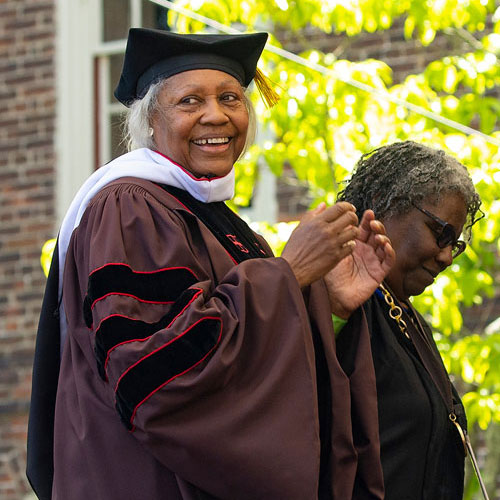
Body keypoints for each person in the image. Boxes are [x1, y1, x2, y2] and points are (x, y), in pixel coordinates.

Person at [26, 29, 395, 500]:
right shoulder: (128, 206)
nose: (216, 115)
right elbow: (155, 377)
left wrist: (331, 309)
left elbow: (261, 372)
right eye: (189, 102)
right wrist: (289, 276)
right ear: (150, 122)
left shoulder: (228, 227)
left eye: (230, 98)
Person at [335, 140, 483, 500]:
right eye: (441, 233)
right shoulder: (332, 302)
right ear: (382, 208)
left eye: (457, 244)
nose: (448, 257)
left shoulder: (409, 319)